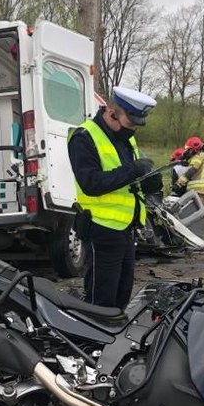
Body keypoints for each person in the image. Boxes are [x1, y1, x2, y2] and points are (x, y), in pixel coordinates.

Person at [68, 86, 160, 309]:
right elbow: (90, 183)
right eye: (130, 125)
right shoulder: (84, 137)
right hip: (101, 230)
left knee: (121, 297)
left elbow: (128, 181)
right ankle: (93, 342)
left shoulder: (125, 138)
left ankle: (115, 340)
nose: (132, 131)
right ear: (111, 113)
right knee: (101, 301)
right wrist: (133, 170)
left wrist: (150, 180)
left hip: (126, 229)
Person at [175, 136, 204, 205]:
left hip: (196, 191)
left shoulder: (198, 156)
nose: (187, 152)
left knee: (190, 213)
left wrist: (179, 183)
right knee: (200, 214)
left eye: (189, 149)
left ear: (194, 149)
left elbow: (192, 170)